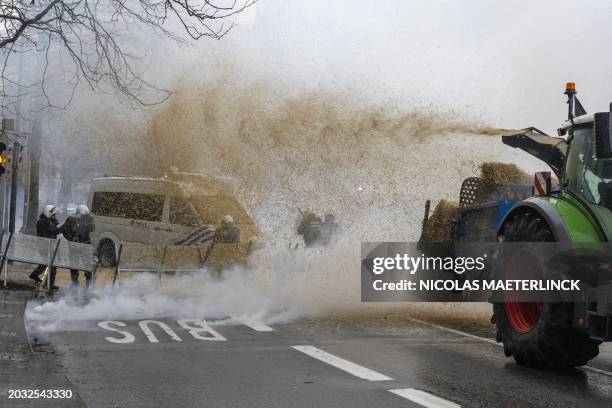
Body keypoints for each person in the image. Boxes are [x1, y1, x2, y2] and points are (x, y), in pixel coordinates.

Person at [29, 204, 62, 289]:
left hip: (46, 246)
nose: (55, 216)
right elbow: (55, 231)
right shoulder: (44, 222)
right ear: (49, 214)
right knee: (52, 265)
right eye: (54, 215)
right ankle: (49, 284)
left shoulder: (44, 221)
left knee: (45, 263)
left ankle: (34, 275)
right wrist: (64, 226)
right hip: (46, 246)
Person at [67, 205, 95, 289]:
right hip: (75, 247)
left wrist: (86, 221)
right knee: (74, 266)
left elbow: (92, 228)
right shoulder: (72, 221)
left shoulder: (88, 221)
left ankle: (89, 285)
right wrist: (71, 238)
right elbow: (67, 231)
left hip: (85, 246)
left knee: (87, 266)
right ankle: (74, 284)